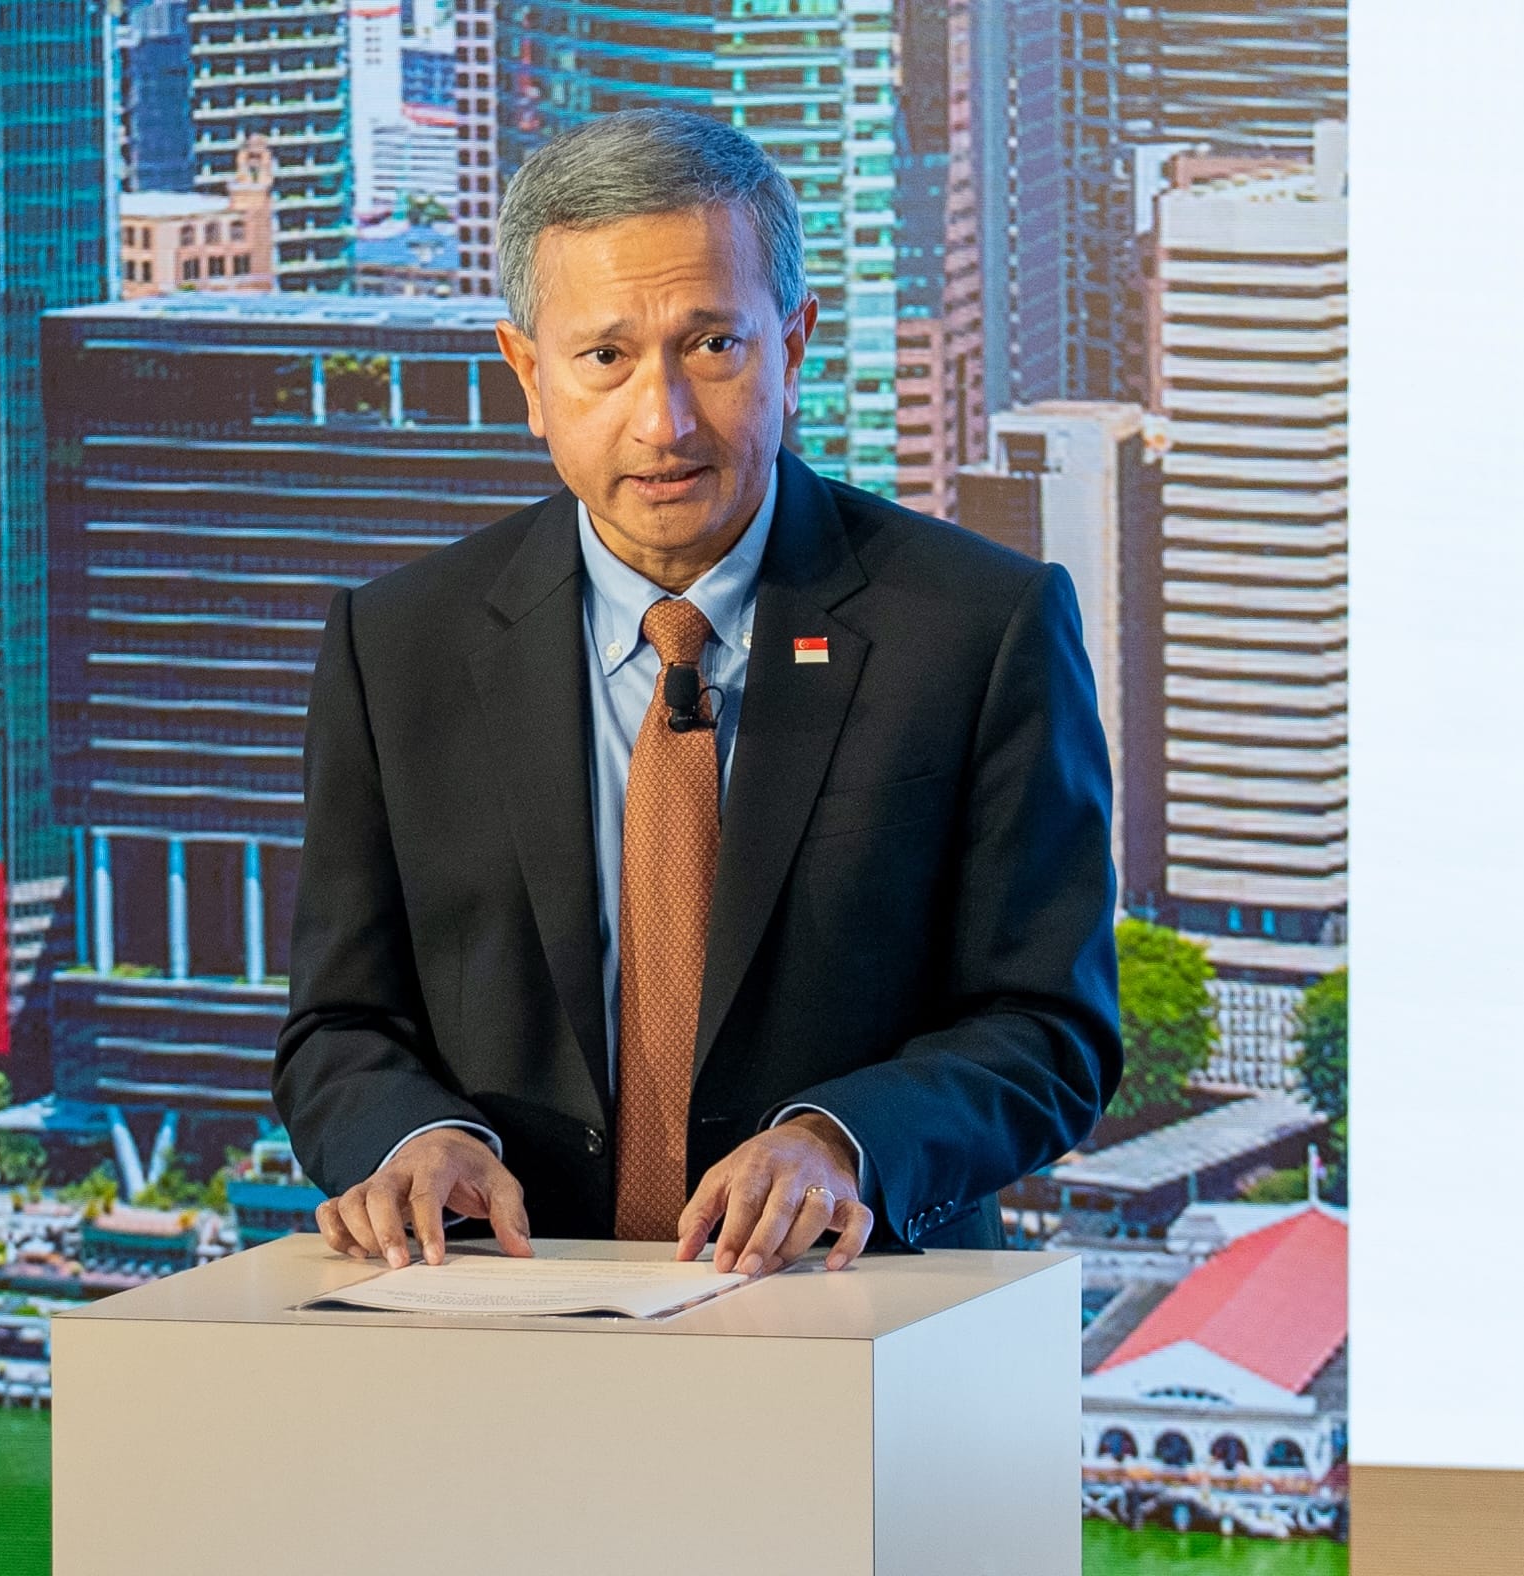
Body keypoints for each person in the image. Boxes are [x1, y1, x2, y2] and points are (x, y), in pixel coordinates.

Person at [274, 108, 1120, 1280]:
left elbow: (1047, 1026)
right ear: (527, 374)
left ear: (794, 344)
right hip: (502, 1322)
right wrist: (414, 1138)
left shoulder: (978, 629)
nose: (663, 420)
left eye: (713, 345)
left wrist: (842, 1140)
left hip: (845, 1315)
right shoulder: (398, 646)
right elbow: (340, 1024)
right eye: (605, 357)